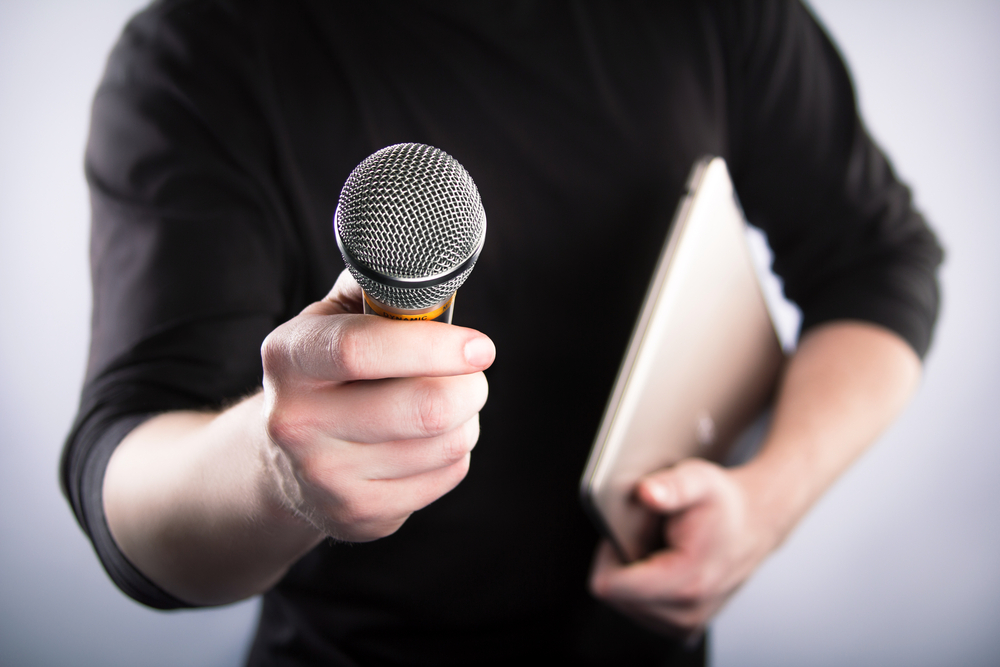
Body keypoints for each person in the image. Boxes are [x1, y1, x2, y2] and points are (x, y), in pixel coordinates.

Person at [61, 1, 941, 665]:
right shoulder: (200, 53)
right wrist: (274, 469)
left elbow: (879, 261)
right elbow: (127, 482)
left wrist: (768, 502)